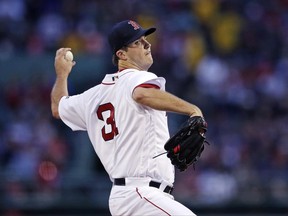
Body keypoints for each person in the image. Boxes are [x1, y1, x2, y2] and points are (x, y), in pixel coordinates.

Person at [51, 20, 203, 216]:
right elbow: (142, 94)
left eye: (145, 39)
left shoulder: (92, 97)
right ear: (121, 55)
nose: (147, 44)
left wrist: (62, 75)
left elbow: (58, 107)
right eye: (138, 42)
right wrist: (193, 110)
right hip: (141, 194)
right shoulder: (136, 77)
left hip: (129, 197)